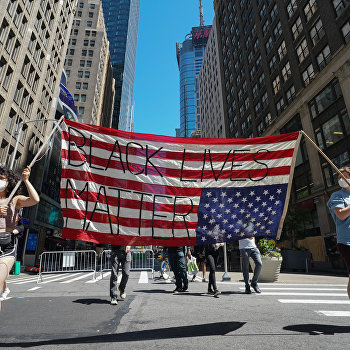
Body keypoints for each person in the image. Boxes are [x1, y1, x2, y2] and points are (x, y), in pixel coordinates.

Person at [0, 166, 40, 311]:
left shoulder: (14, 200)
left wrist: (26, 181)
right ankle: (5, 288)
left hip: (7, 245)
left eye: (2, 179)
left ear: (9, 182)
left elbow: (35, 200)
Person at [327, 166, 350, 299]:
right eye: (339, 177)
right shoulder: (337, 196)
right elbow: (341, 215)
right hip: (347, 241)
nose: (341, 179)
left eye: (345, 176)